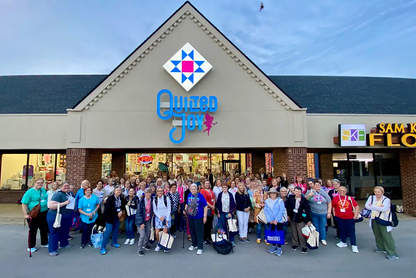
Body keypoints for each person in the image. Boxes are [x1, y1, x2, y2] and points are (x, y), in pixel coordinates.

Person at [365, 186, 399, 260]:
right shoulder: (371, 198)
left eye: (378, 192)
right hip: (374, 218)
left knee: (386, 235)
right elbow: (366, 206)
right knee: (377, 234)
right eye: (375, 192)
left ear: (382, 192)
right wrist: (378, 207)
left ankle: (392, 253)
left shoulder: (386, 200)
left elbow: (384, 209)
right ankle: (381, 247)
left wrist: (372, 206)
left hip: (384, 219)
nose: (377, 193)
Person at [21, 178, 49, 253]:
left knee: (44, 228)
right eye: (38, 183)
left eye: (41, 183)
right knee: (33, 230)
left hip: (43, 212)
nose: (40, 184)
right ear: (34, 183)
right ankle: (31, 246)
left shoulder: (43, 190)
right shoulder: (29, 192)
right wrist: (25, 214)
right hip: (34, 214)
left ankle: (44, 242)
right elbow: (24, 203)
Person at [47, 181, 75, 256]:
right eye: (65, 186)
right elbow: (51, 205)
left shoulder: (70, 194)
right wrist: (64, 203)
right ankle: (52, 249)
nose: (66, 187)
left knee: (65, 230)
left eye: (68, 186)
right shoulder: (58, 194)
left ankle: (64, 243)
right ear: (60, 187)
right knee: (54, 232)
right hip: (56, 216)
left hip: (67, 216)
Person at [332, 186, 359, 253]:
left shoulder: (350, 198)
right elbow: (333, 207)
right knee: (342, 230)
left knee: (351, 231)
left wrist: (355, 215)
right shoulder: (335, 198)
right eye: (341, 190)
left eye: (344, 191)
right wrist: (335, 215)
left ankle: (354, 245)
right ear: (338, 191)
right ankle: (343, 242)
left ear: (346, 191)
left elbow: (357, 206)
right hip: (340, 218)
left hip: (349, 218)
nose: (342, 192)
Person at [286, 186, 312, 254]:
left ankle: (304, 246)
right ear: (294, 192)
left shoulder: (304, 200)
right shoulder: (290, 198)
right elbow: (288, 207)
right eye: (296, 191)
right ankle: (295, 244)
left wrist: (308, 220)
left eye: (299, 191)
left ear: (301, 192)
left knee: (301, 233)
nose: (297, 193)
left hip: (301, 219)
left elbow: (307, 210)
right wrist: (288, 215)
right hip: (292, 218)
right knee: (294, 232)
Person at [306, 180, 332, 246]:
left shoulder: (324, 193)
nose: (317, 186)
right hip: (314, 212)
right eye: (316, 185)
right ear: (313, 186)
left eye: (319, 185)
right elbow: (304, 200)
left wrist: (329, 212)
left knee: (322, 226)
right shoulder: (310, 192)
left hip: (323, 212)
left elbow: (329, 202)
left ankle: (323, 238)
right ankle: (316, 238)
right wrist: (309, 195)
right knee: (315, 226)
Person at [100, 187, 125, 255]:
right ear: (114, 191)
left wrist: (121, 211)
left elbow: (123, 206)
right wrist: (117, 212)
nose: (118, 191)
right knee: (108, 232)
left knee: (116, 230)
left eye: (119, 190)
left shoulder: (121, 198)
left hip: (117, 217)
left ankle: (114, 242)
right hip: (110, 217)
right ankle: (103, 247)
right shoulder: (110, 198)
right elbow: (108, 209)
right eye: (117, 190)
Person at [185, 183, 208, 255]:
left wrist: (205, 216)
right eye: (192, 189)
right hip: (190, 216)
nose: (193, 190)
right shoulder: (189, 195)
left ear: (197, 189)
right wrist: (185, 210)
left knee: (199, 231)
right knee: (192, 231)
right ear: (190, 189)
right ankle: (194, 244)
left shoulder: (200, 196)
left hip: (199, 216)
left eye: (194, 189)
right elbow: (187, 204)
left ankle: (200, 247)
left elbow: (205, 206)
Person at [264, 188, 286, 256]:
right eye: (271, 193)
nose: (273, 194)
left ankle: (279, 248)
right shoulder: (267, 201)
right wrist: (269, 219)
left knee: (279, 234)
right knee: (272, 234)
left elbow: (282, 211)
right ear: (269, 194)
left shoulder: (280, 201)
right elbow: (266, 211)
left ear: (276, 194)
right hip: (271, 221)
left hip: (278, 221)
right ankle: (274, 246)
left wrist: (277, 219)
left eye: (274, 193)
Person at [153, 187, 171, 253]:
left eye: (161, 191)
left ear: (163, 192)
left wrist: (167, 218)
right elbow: (154, 210)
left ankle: (164, 245)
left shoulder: (167, 198)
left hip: (166, 216)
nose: (160, 192)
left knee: (164, 233)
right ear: (157, 192)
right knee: (157, 233)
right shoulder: (155, 199)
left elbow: (169, 209)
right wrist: (160, 217)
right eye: (158, 191)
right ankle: (158, 244)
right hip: (158, 217)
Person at [135, 188, 153, 257]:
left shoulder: (152, 200)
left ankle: (144, 245)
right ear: (144, 194)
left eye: (149, 193)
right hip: (141, 220)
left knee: (148, 233)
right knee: (142, 235)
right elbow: (138, 213)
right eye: (146, 193)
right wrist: (141, 223)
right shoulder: (141, 202)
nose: (148, 194)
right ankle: (139, 249)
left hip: (147, 219)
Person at [200, 180, 215, 246]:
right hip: (207, 209)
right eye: (206, 183)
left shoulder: (211, 190)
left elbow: (213, 198)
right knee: (206, 225)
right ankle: (204, 239)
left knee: (209, 224)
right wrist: (211, 206)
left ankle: (209, 237)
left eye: (208, 183)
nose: (207, 184)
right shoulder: (203, 190)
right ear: (204, 184)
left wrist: (213, 205)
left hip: (211, 209)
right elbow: (204, 200)